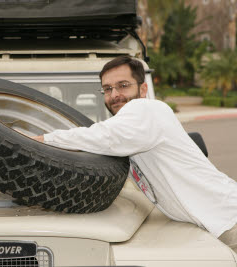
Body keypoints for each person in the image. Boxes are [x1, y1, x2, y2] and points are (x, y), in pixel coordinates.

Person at [32, 55, 237, 253]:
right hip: (215, 220)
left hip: (227, 219)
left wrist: (43, 141)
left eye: (123, 85)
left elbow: (105, 136)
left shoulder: (146, 109)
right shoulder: (130, 128)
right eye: (107, 89)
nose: (114, 95)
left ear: (143, 89)